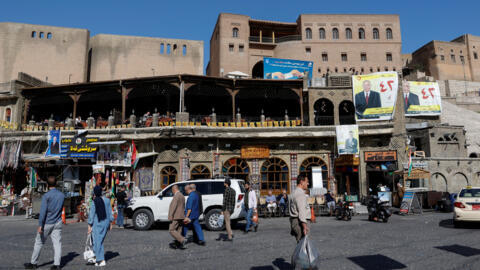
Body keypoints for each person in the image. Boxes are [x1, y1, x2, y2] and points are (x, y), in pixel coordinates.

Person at [24, 175, 65, 270]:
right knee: (57, 244)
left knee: (39, 242)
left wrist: (40, 225)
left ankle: (33, 263)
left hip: (47, 222)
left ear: (47, 185)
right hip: (57, 221)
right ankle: (57, 264)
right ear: (56, 184)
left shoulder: (46, 196)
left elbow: (42, 212)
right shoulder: (62, 195)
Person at [87, 186, 114, 267]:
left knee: (97, 241)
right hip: (105, 223)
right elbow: (110, 212)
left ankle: (101, 259)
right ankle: (96, 257)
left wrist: (89, 225)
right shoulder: (107, 200)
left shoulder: (95, 202)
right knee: (100, 241)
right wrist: (110, 223)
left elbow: (91, 215)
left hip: (97, 223)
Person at [289, 175, 310, 242]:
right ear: (301, 182)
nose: (308, 184)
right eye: (307, 182)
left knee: (300, 245)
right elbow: (301, 211)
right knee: (303, 246)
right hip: (300, 223)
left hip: (295, 221)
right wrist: (304, 226)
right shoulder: (300, 194)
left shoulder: (293, 192)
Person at [168, 184, 187, 249]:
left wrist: (170, 216)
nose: (172, 192)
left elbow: (173, 206)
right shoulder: (182, 196)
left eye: (172, 191)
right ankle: (178, 245)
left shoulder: (176, 196)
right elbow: (183, 206)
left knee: (171, 230)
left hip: (176, 216)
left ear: (174, 189)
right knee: (179, 231)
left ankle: (182, 240)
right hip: (181, 216)